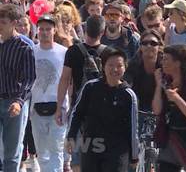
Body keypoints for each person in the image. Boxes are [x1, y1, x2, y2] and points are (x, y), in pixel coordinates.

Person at [66, 47, 139, 172]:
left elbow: (132, 128)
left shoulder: (128, 94)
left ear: (125, 67)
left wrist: (134, 156)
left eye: (119, 65)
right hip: (91, 145)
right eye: (110, 65)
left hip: (117, 149)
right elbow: (77, 113)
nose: (114, 69)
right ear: (103, 66)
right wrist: (71, 136)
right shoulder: (90, 87)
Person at [55, 15, 106, 172]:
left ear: (84, 30)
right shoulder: (108, 53)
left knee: (77, 155)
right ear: (102, 32)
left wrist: (59, 107)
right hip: (102, 112)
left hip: (78, 109)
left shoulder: (73, 51)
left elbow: (64, 80)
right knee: (100, 152)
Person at [0, 4, 36, 172]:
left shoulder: (24, 47)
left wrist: (19, 101)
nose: (0, 24)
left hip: (13, 102)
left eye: (3, 21)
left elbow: (29, 78)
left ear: (14, 23)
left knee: (12, 151)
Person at [31, 14, 68, 172]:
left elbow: (68, 80)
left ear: (54, 31)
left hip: (58, 106)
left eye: (48, 29)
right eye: (41, 29)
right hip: (37, 106)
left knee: (56, 149)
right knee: (42, 151)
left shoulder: (64, 52)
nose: (44, 32)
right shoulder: (31, 51)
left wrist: (66, 105)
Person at [124, 29, 164, 112]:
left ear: (159, 46)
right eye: (145, 43)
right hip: (138, 110)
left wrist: (159, 83)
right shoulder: (133, 66)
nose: (148, 46)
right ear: (140, 46)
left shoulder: (165, 67)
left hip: (161, 109)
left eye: (153, 43)